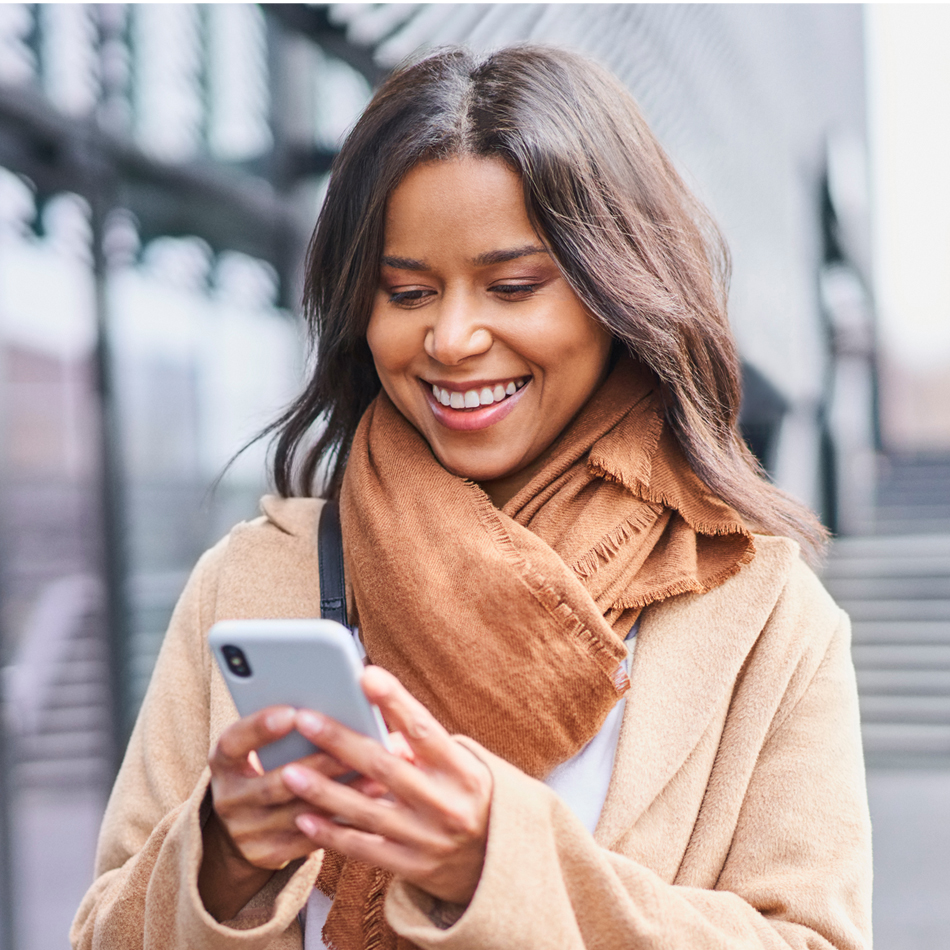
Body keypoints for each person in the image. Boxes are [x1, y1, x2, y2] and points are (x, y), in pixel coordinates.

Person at [72, 45, 872, 950]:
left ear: (616, 291)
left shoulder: (762, 614)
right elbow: (102, 932)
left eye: (514, 286)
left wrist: (501, 864)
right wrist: (217, 862)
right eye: (407, 291)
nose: (451, 338)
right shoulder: (254, 579)